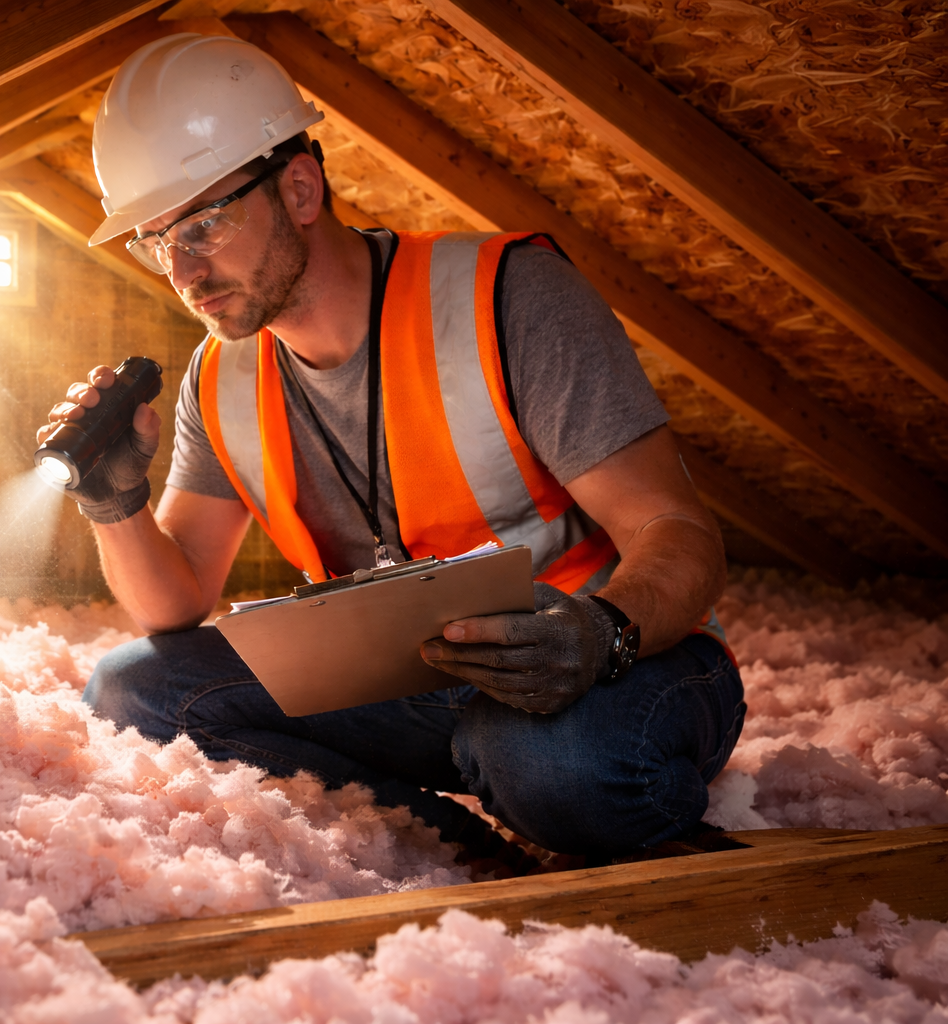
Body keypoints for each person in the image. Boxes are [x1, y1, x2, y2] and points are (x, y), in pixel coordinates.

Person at [38, 33, 745, 865]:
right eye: (156, 242)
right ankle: (450, 845)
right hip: (406, 685)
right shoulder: (221, 376)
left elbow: (680, 533)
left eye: (203, 224)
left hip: (610, 665)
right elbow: (174, 605)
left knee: (550, 761)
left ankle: (550, 783)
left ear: (300, 188)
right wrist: (113, 504)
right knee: (129, 693)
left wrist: (600, 635)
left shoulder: (507, 301)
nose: (183, 272)